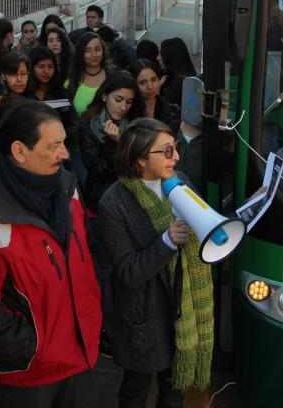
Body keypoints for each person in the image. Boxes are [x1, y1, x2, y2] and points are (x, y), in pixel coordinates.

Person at [0, 101, 101, 407]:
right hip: (28, 375)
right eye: (54, 146)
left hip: (81, 353)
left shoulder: (66, 188)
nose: (65, 154)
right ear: (19, 151)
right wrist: (32, 346)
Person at [99, 118, 214, 407]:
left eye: (174, 148)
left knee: (174, 391)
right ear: (139, 160)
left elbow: (210, 229)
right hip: (144, 317)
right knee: (136, 389)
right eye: (166, 151)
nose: (176, 156)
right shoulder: (113, 203)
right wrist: (165, 242)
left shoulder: (181, 181)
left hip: (180, 312)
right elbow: (127, 272)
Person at [78, 71, 143, 211]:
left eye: (129, 102)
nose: (123, 107)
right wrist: (113, 144)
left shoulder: (134, 121)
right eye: (118, 100)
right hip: (104, 195)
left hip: (136, 190)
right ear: (104, 96)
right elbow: (96, 171)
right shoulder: (88, 125)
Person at [28, 46, 76, 141]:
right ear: (31, 68)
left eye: (50, 67)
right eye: (41, 66)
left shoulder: (61, 94)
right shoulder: (25, 95)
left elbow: (74, 124)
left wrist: (58, 138)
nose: (46, 71)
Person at [127, 59, 179, 133]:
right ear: (133, 84)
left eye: (153, 79)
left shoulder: (168, 111)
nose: (150, 87)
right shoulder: (126, 110)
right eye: (142, 83)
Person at [68, 32, 110, 116]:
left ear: (103, 51)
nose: (94, 55)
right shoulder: (72, 81)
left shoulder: (112, 77)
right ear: (81, 53)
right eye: (87, 50)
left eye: (97, 49)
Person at [160, 37, 197, 110]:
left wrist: (157, 88)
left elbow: (161, 109)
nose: (158, 58)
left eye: (161, 54)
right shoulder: (189, 76)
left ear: (170, 57)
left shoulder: (180, 81)